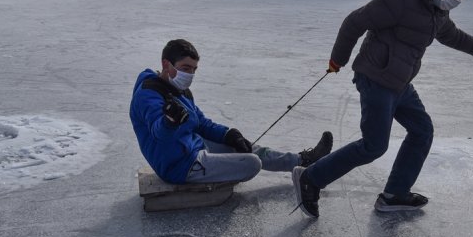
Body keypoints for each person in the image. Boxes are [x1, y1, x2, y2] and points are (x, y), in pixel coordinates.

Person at [292, 0, 473, 217]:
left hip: (400, 83)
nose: (458, 0)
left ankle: (395, 193)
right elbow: (355, 22)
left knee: (422, 131)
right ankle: (311, 178)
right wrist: (337, 59)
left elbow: (453, 36)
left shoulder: (437, 10)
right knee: (374, 146)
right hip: (375, 79)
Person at [131, 39, 333, 185]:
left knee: (246, 146)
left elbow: (201, 123)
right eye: (185, 67)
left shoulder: (179, 90)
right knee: (252, 163)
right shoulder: (148, 95)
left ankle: (301, 161)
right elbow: (159, 132)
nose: (190, 74)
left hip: (193, 146)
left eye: (194, 69)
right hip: (179, 166)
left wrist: (230, 135)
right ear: (166, 64)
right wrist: (170, 121)